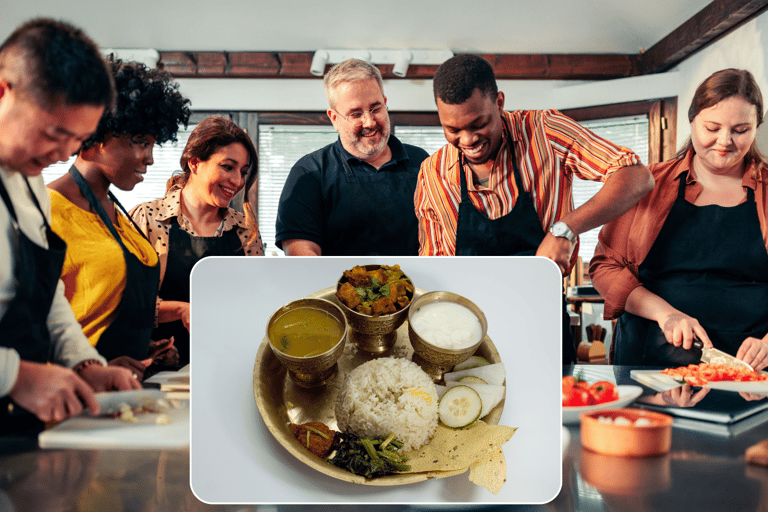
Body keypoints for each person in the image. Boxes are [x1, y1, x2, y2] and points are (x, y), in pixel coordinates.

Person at [415, 54, 655, 364]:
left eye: (479, 124)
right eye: (453, 130)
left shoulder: (545, 130)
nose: (468, 140)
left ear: (499, 102)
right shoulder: (432, 173)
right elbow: (435, 268)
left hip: (543, 322)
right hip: (466, 334)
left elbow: (636, 176)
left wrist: (565, 228)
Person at [0, 18, 140, 429]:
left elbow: (46, 296)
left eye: (77, 140)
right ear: (3, 91)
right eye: (55, 133)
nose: (63, 154)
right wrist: (15, 375)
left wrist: (84, 364)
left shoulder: (30, 185)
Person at [590, 69, 768, 370]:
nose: (725, 141)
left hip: (751, 367)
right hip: (652, 358)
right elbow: (605, 267)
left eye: (740, 130)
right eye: (712, 127)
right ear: (692, 120)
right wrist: (665, 314)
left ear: (756, 128)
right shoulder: (647, 184)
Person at [47, 57, 190, 380]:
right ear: (97, 133)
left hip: (120, 391)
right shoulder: (48, 210)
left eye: (153, 144)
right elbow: (34, 322)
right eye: (141, 141)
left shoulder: (118, 214)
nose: (150, 158)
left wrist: (143, 349)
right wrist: (91, 368)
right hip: (72, 394)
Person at [131, 116, 264, 368]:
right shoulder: (148, 219)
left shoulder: (246, 230)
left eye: (243, 172)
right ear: (194, 163)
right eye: (228, 167)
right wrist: (183, 310)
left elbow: (255, 302)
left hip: (228, 364)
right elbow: (130, 304)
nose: (237, 181)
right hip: (160, 368)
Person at [275, 58, 429, 256]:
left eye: (375, 108)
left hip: (415, 285)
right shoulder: (310, 172)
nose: (369, 122)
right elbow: (301, 252)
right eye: (356, 114)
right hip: (339, 286)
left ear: (385, 104)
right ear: (334, 118)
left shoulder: (422, 162)